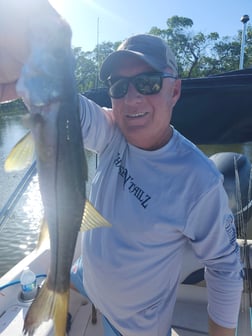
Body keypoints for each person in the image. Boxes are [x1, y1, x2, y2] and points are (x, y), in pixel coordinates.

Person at [0, 3, 243, 336]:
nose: (131, 99)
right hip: (83, 276)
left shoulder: (199, 182)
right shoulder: (114, 130)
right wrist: (27, 52)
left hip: (134, 325)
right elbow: (64, 106)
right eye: (118, 86)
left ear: (175, 90)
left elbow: (225, 269)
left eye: (148, 83)